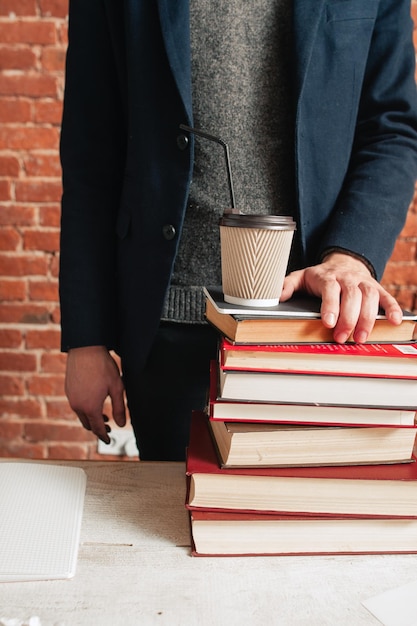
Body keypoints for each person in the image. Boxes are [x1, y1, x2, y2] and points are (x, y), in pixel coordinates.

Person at [59, 0, 417, 460]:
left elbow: (390, 127)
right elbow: (92, 149)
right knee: (172, 524)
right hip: (167, 325)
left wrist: (349, 256)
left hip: (315, 323)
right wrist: (87, 339)